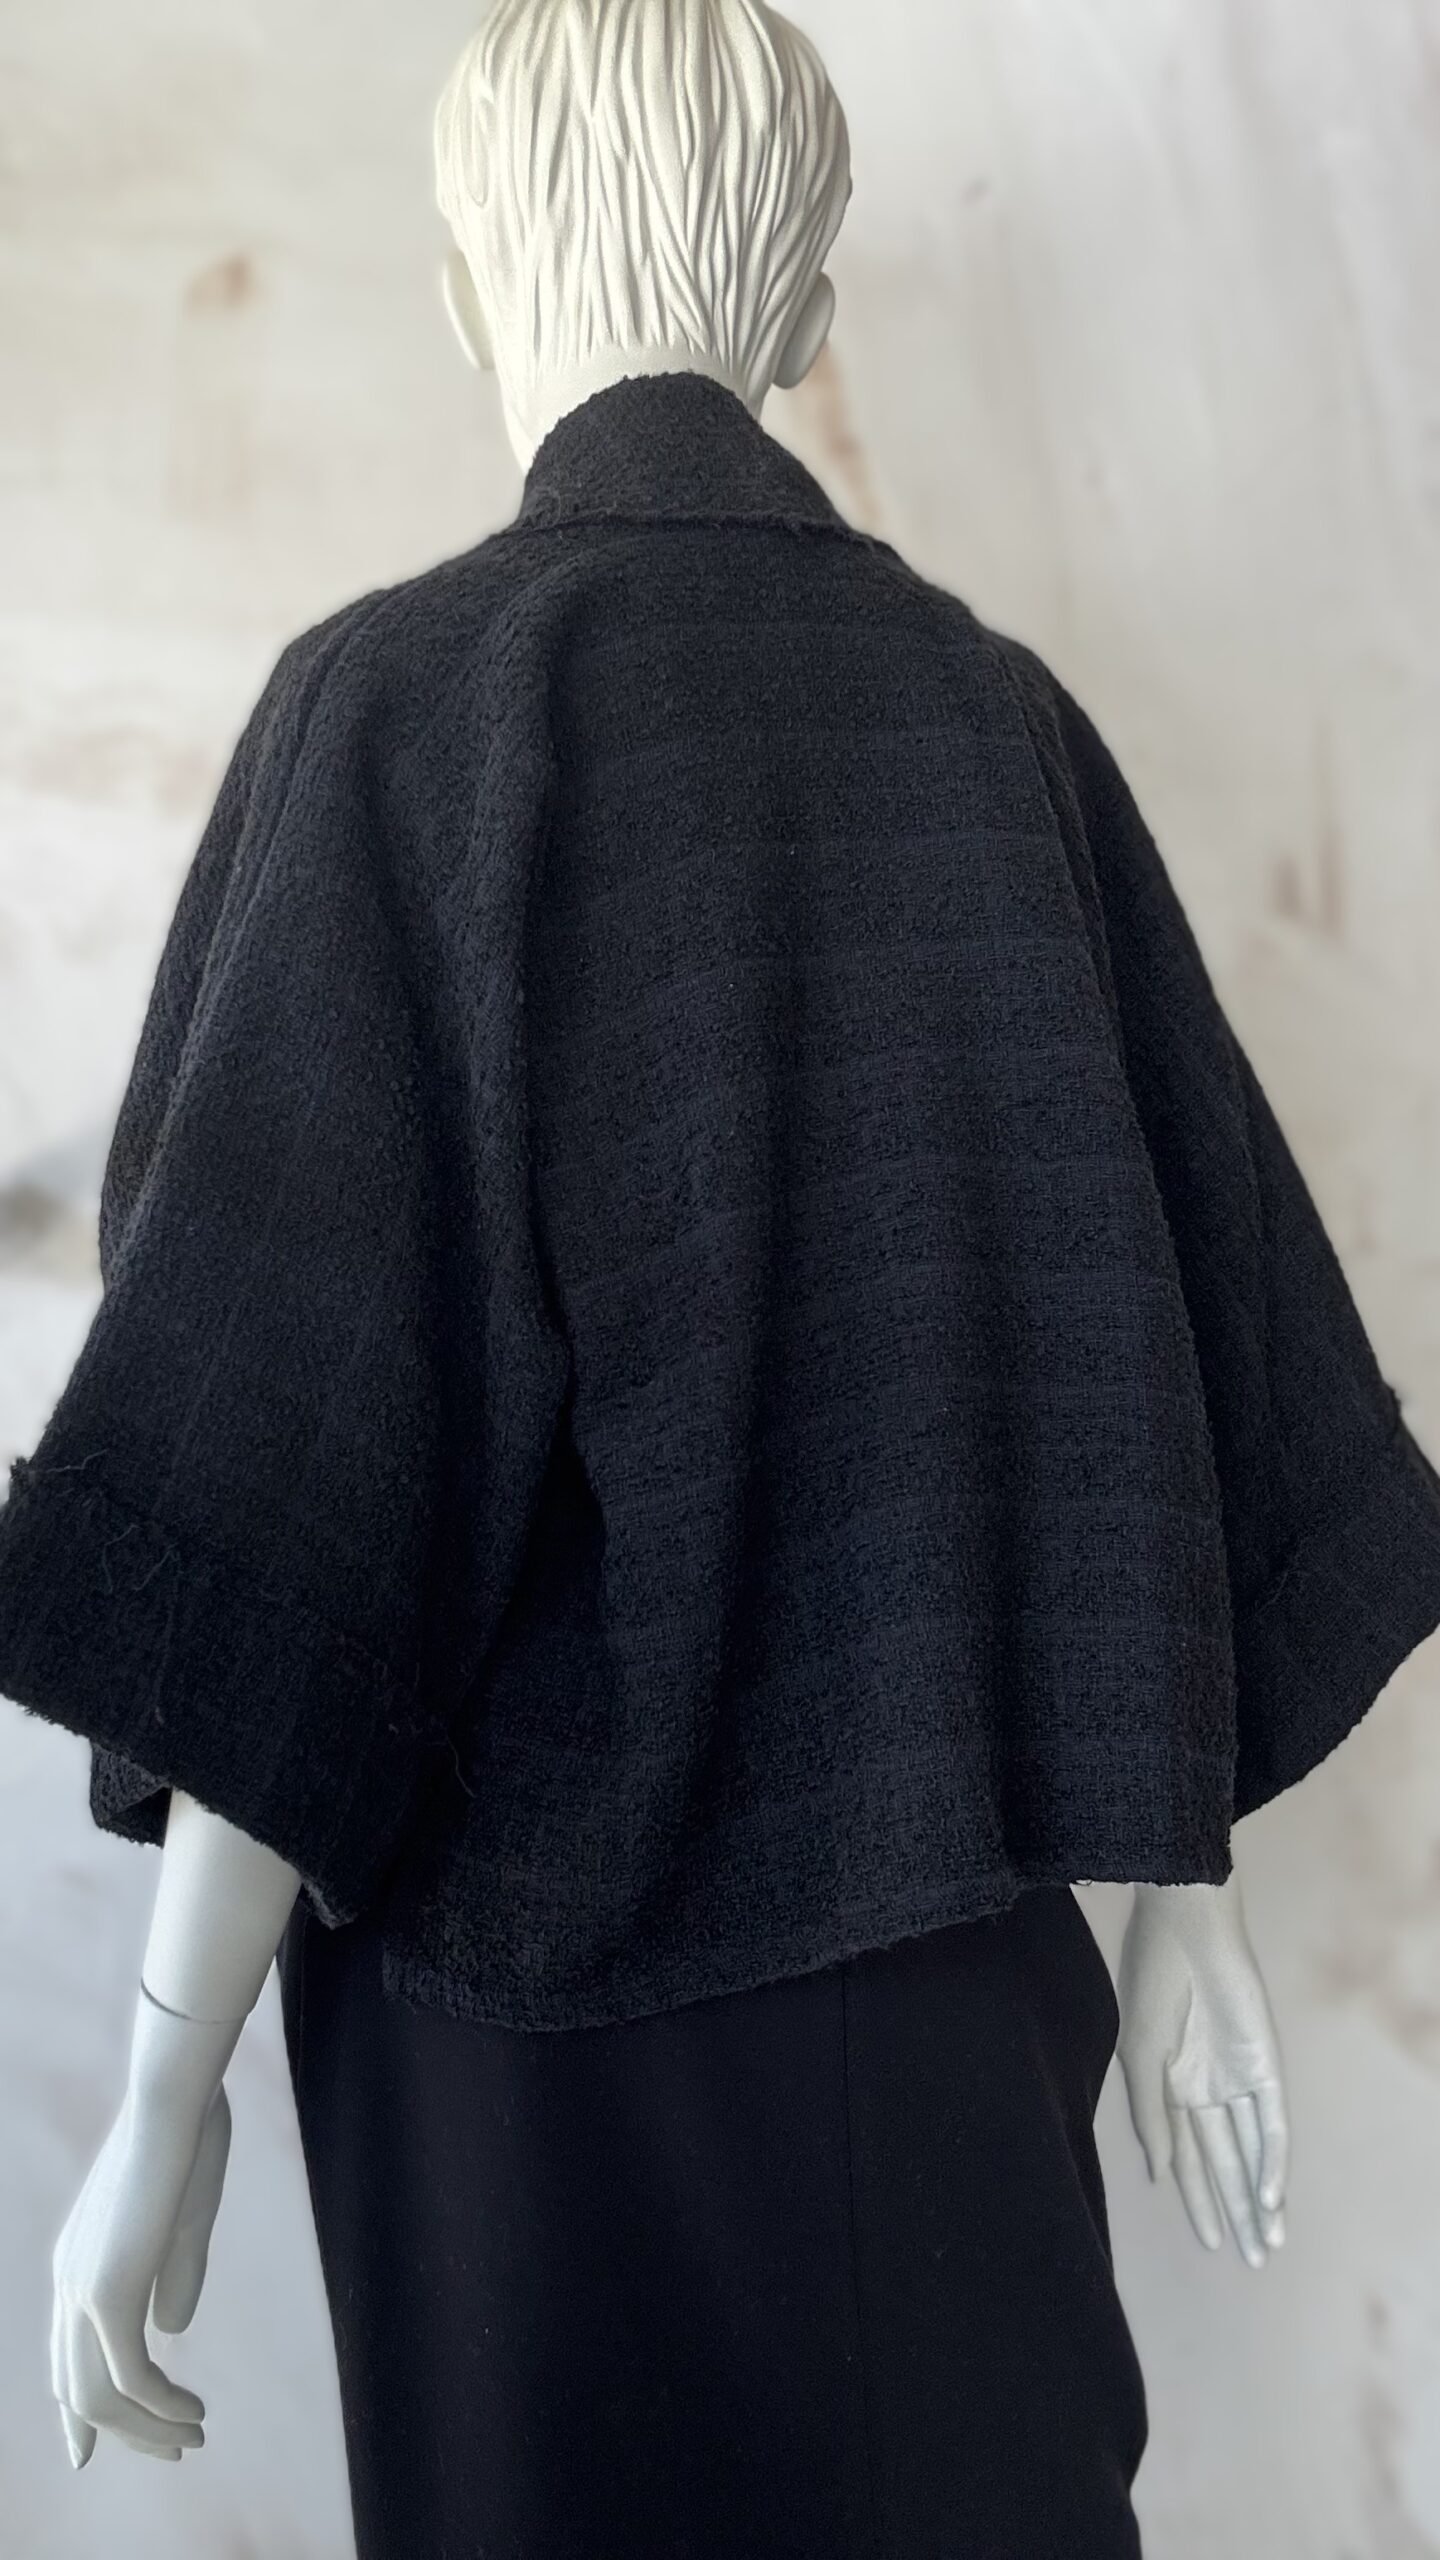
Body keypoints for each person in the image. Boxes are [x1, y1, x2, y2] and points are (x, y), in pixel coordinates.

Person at [7, 4, 1440, 2552]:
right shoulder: (999, 730)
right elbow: (1146, 1369)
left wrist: (162, 2072)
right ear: (807, 307)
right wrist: (1180, 1904)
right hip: (959, 1982)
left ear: (474, 285)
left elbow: (287, 1465)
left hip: (520, 2076)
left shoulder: (405, 719)